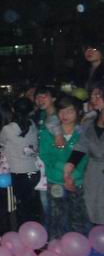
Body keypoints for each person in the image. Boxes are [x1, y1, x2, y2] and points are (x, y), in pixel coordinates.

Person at [39, 95, 90, 239]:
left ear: (78, 112)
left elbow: (85, 158)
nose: (65, 115)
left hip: (77, 182)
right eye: (61, 111)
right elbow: (45, 156)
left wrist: (73, 175)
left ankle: (80, 249)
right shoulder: (48, 133)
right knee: (57, 220)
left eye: (70, 111)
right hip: (56, 182)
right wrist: (65, 170)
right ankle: (58, 249)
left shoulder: (83, 133)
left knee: (79, 219)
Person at [64, 82, 104, 225]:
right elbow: (81, 147)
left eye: (98, 95)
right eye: (92, 95)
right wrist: (69, 169)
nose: (93, 99)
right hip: (93, 174)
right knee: (93, 213)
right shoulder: (88, 123)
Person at [0, 97, 41, 227]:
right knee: (32, 205)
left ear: (13, 110)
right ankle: (34, 231)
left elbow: (0, 142)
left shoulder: (8, 129)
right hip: (34, 171)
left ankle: (24, 232)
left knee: (21, 207)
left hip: (18, 173)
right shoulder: (33, 125)